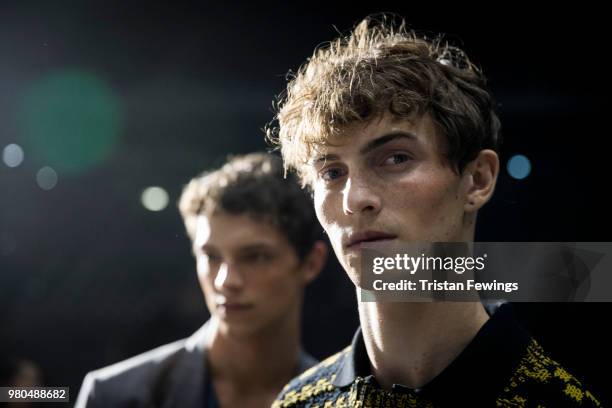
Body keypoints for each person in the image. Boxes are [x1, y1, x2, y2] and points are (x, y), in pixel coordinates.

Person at [268, 15, 601, 407]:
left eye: (395, 158)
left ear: (477, 180)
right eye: (332, 171)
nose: (354, 199)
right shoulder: (297, 402)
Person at [75, 152, 327, 408]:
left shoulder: (348, 400)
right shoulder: (114, 397)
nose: (225, 281)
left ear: (311, 263)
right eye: (211, 256)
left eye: (255, 257)